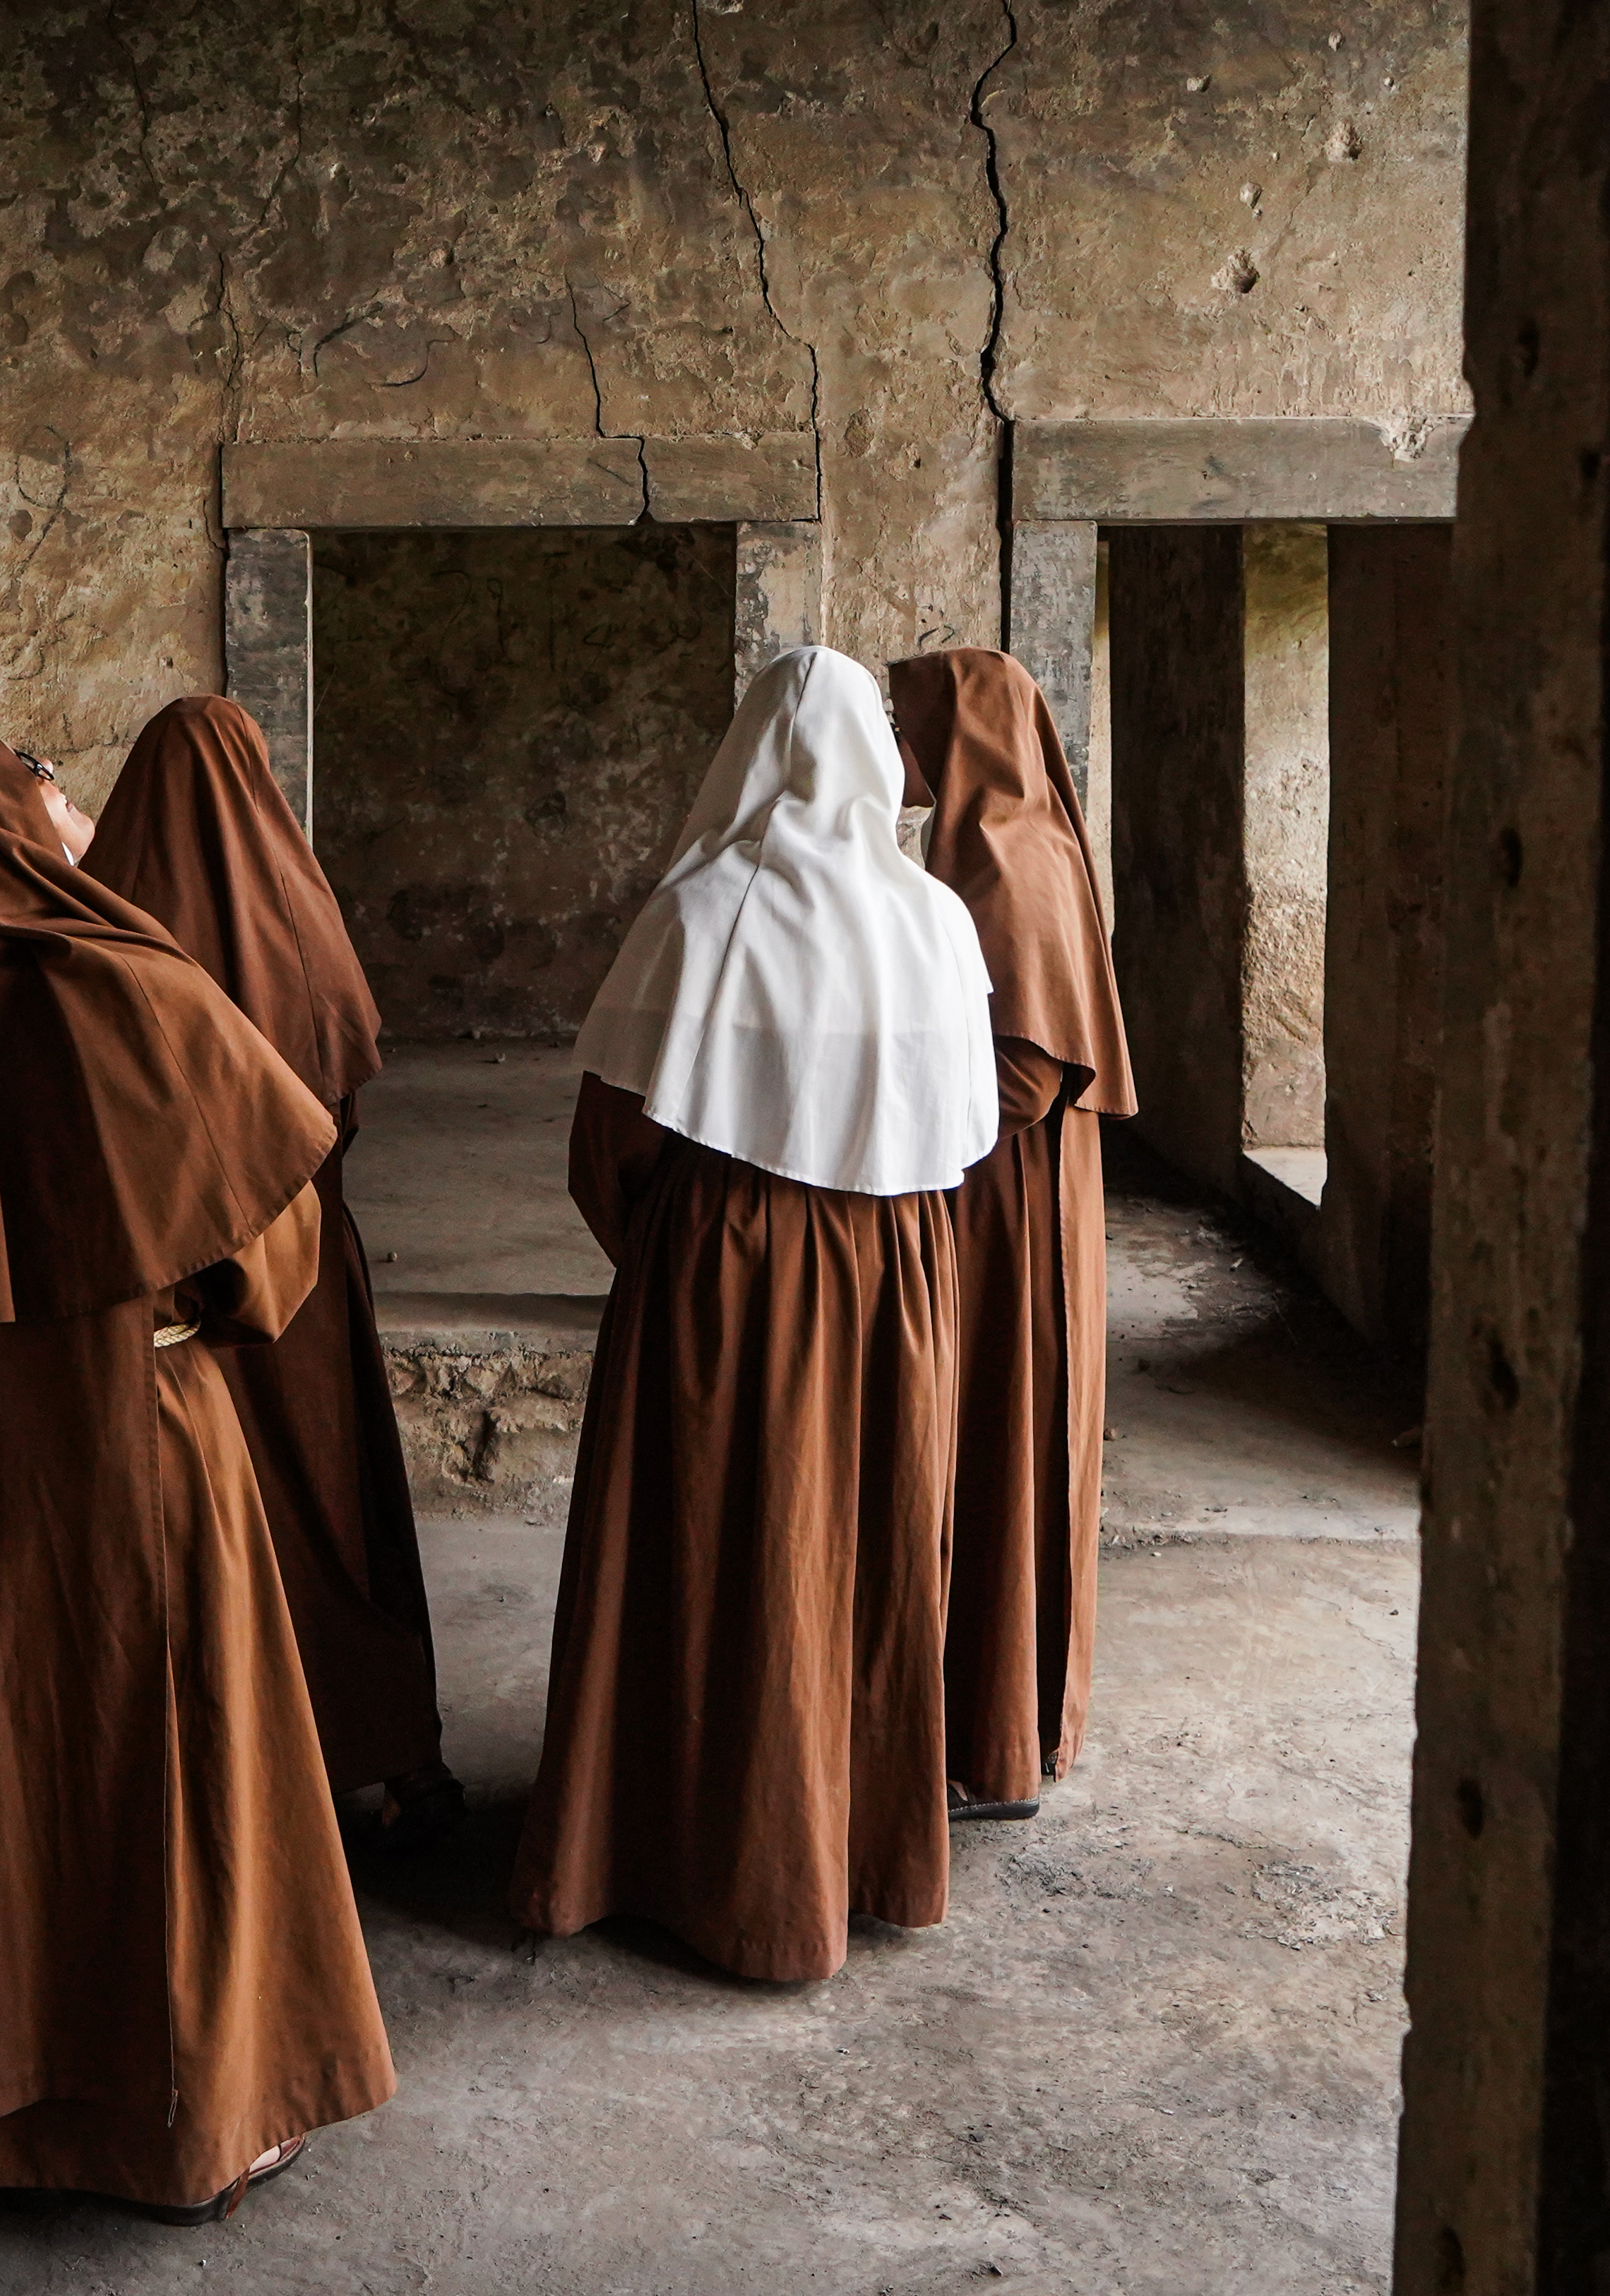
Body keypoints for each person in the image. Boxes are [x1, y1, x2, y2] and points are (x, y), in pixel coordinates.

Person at [0, 708, 393, 2221]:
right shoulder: (125, 986)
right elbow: (265, 1252)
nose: (64, 797)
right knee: (158, 1764)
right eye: (34, 779)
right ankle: (182, 2126)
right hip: (140, 1445)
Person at [508, 646, 997, 1982]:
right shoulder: (934, 919)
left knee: (718, 1543)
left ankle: (689, 1850)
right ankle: (854, 1849)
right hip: (895, 1273)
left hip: (729, 1268)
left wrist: (673, 1258)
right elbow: (962, 1140)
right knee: (859, 1542)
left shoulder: (704, 911)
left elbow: (607, 1144)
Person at [89, 695, 460, 1838]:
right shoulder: (297, 904)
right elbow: (339, 1088)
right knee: (333, 1509)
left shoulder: (104, 923)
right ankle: (389, 1750)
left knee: (194, 1532)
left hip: (168, 1292)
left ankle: (209, 1776)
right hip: (297, 1287)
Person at [886, 648, 1139, 1821]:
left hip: (1005, 1197)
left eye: (911, 718)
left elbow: (1026, 1070)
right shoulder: (993, 839)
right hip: (1004, 1186)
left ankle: (1000, 1727)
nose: (896, 740)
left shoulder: (1008, 856)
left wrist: (893, 1101)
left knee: (1003, 1433)